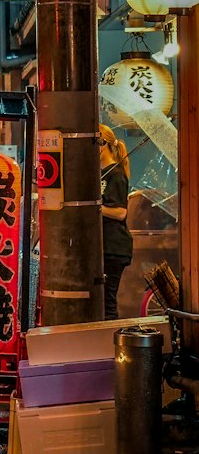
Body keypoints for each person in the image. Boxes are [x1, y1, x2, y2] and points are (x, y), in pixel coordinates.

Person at [100, 123, 133, 320]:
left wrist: (95, 207)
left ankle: (110, 347)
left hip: (114, 246)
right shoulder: (101, 174)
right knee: (102, 300)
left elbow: (120, 212)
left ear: (102, 143)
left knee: (107, 302)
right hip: (105, 245)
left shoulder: (117, 174)